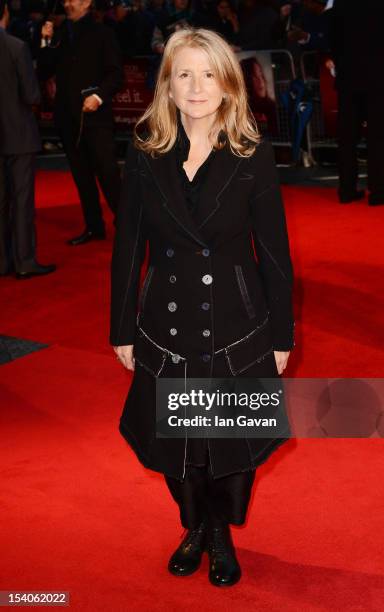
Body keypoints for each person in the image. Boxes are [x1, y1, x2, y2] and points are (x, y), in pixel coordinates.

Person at [110, 27, 294, 586]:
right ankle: (194, 525)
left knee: (230, 447)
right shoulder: (145, 152)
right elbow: (127, 249)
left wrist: (281, 336)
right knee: (179, 444)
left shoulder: (250, 153)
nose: (196, 86)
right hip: (167, 322)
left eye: (208, 73)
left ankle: (220, 531)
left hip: (237, 324)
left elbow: (276, 254)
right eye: (184, 73)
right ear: (166, 84)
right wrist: (121, 329)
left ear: (228, 85)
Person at [37, 0, 123, 245]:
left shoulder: (103, 33)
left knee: (108, 175)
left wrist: (98, 97)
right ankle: (93, 227)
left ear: (87, 2)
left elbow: (116, 74)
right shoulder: (60, 33)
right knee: (81, 176)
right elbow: (44, 71)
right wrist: (44, 41)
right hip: (67, 117)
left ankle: (129, 225)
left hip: (96, 117)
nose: (66, 3)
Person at [329, 0, 384, 205]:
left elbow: (333, 39)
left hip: (348, 78)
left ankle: (346, 190)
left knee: (347, 138)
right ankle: (378, 191)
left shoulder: (341, 3)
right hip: (378, 79)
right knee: (377, 137)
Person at [0, 0, 56, 278]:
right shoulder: (16, 47)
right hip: (18, 135)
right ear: (5, 14)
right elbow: (32, 95)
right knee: (22, 201)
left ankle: (2, 261)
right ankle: (24, 262)